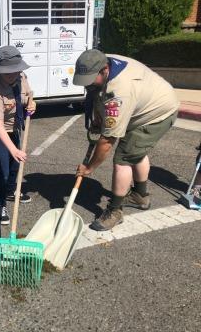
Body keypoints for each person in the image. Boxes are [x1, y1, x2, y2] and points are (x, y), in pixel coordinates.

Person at [74, 49, 179, 231]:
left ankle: (115, 211)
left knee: (123, 158)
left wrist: (89, 168)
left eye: (91, 79)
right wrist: (99, 117)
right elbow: (100, 95)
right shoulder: (103, 61)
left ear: (104, 70)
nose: (87, 84)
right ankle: (140, 196)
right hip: (148, 103)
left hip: (158, 113)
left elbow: (107, 140)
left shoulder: (120, 92)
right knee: (136, 152)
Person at [0, 46, 36, 225]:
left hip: (15, 129)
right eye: (8, 72)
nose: (13, 75)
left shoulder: (21, 77)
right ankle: (1, 203)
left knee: (15, 168)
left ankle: (12, 191)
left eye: (16, 70)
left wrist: (32, 104)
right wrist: (13, 149)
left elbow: (29, 96)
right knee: (3, 172)